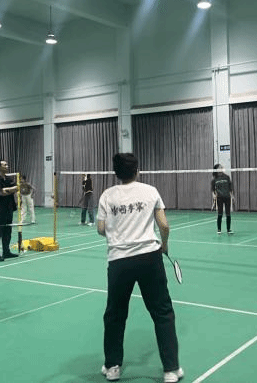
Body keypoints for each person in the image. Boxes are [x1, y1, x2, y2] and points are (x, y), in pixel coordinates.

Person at [97, 153, 183, 383]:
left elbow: (101, 229)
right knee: (162, 312)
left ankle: (112, 366)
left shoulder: (107, 195)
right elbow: (164, 225)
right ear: (137, 170)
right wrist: (164, 245)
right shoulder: (150, 191)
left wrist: (117, 233)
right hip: (149, 259)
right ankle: (171, 369)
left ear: (116, 173)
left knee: (115, 315)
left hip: (119, 261)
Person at [0, 159, 19, 262]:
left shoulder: (9, 178)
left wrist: (8, 190)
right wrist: (11, 189)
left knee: (8, 231)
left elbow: (17, 188)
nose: (7, 166)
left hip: (9, 208)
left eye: (7, 164)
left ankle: (6, 251)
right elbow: (0, 193)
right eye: (4, 165)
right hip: (0, 210)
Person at [211, 164, 233, 234]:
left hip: (227, 197)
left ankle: (228, 229)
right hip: (219, 198)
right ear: (216, 169)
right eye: (219, 167)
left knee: (228, 213)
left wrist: (232, 195)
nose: (221, 168)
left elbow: (230, 187)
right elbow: (213, 190)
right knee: (220, 213)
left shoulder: (227, 177)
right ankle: (219, 229)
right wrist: (214, 195)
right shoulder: (214, 179)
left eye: (221, 167)